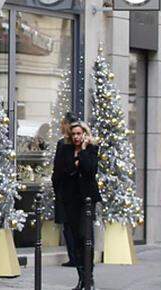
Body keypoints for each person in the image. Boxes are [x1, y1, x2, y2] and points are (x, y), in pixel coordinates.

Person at [52, 120, 99, 290]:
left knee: (86, 238)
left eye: (79, 134)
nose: (77, 137)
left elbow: (90, 170)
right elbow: (59, 172)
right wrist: (74, 166)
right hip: (70, 199)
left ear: (85, 134)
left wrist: (84, 151)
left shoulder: (92, 149)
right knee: (74, 239)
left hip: (86, 201)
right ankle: (81, 278)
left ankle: (89, 278)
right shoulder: (65, 149)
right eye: (74, 134)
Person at [50, 117, 78, 267]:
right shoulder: (74, 143)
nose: (61, 126)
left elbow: (58, 169)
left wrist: (57, 187)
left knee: (69, 226)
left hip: (66, 191)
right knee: (72, 226)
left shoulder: (64, 144)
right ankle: (76, 257)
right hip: (72, 191)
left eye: (62, 123)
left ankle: (74, 257)